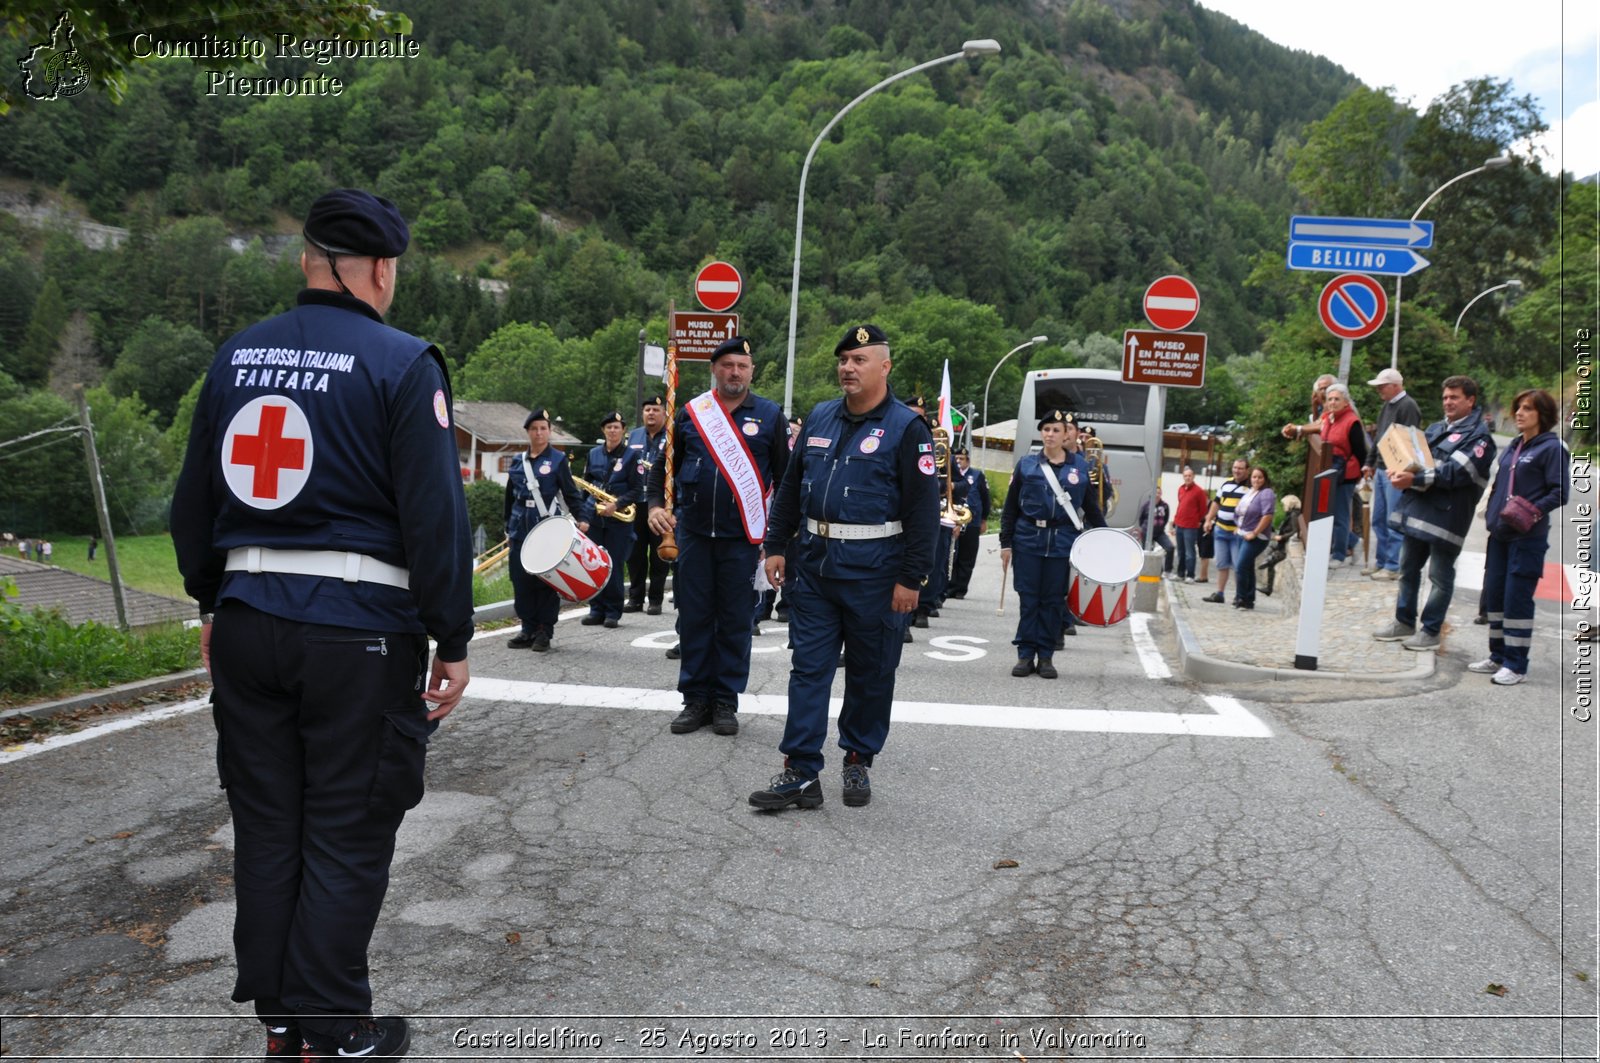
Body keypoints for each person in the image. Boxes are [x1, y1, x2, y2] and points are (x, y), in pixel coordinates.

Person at [170, 188, 473, 1061]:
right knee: (348, 822)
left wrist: (209, 602)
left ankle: (282, 1019)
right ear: (379, 269)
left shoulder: (236, 356)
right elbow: (435, 517)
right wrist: (451, 638)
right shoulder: (402, 361)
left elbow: (194, 502)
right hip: (358, 627)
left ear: (308, 261)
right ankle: (334, 1026)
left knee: (269, 824)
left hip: (248, 617)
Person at [750, 323, 938, 810]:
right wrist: (775, 543)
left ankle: (857, 758)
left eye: (860, 360)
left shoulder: (906, 428)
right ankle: (800, 771)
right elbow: (792, 486)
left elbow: (922, 511)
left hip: (878, 573)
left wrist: (912, 578)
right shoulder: (820, 416)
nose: (848, 368)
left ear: (884, 366)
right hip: (814, 566)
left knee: (871, 673)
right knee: (808, 669)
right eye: (843, 360)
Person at [646, 336, 787, 737]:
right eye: (727, 365)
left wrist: (777, 540)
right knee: (693, 617)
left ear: (752, 370)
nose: (734, 372)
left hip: (742, 538)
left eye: (742, 365)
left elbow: (786, 479)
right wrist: (656, 506)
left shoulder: (770, 415)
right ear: (715, 370)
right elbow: (663, 470)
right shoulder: (692, 413)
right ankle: (695, 699)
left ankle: (725, 700)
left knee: (735, 620)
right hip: (692, 534)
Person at [1373, 375, 1497, 651]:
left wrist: (1412, 479)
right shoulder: (1436, 427)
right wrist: (1399, 468)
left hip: (1447, 519)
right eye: (1445, 397)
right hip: (1419, 511)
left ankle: (1430, 631)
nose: (1448, 402)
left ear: (1470, 400)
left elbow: (1456, 472)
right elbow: (1415, 460)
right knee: (1407, 570)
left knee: (1439, 577)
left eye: (1454, 397)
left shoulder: (1480, 438)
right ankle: (1403, 622)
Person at [1466, 389, 1570, 684]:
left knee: (1517, 600)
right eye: (1518, 407)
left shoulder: (1552, 448)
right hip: (1500, 533)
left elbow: (1560, 492)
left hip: (1527, 537)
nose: (1520, 413)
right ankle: (1497, 655)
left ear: (1543, 415)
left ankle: (1516, 664)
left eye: (1528, 409)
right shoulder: (1513, 445)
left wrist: (1532, 511)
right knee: (1495, 597)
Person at [1000, 409, 1105, 679]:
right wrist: (1005, 542)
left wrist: (1105, 538)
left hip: (1062, 544)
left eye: (1056, 430)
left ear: (1066, 434)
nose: (1050, 434)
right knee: (1029, 599)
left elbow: (1090, 507)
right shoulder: (1026, 465)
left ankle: (1045, 656)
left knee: (1053, 601)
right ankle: (1025, 655)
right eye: (1046, 429)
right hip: (1028, 541)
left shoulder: (1080, 467)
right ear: (1041, 433)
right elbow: (1011, 507)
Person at [504, 408, 585, 651]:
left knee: (546, 582)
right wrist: (507, 527)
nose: (539, 433)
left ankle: (544, 631)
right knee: (520, 579)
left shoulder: (558, 460)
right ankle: (527, 628)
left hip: (547, 527)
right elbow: (510, 497)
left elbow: (571, 493)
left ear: (549, 432)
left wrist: (582, 518)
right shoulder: (518, 462)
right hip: (520, 528)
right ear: (528, 432)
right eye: (534, 429)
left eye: (543, 428)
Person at [1286, 382, 1367, 565]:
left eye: (1337, 399)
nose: (1332, 403)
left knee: (1340, 514)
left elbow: (1360, 451)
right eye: (1330, 399)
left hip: (1345, 473)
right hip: (1329, 470)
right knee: (1326, 512)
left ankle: (1339, 555)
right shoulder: (1327, 418)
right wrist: (1298, 428)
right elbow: (1315, 428)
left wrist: (1360, 476)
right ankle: (1354, 542)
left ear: (1345, 402)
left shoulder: (1351, 421)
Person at [578, 411, 641, 628]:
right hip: (595, 518)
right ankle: (596, 609)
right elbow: (586, 488)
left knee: (613, 564)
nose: (612, 430)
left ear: (623, 430)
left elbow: (637, 489)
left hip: (619, 519)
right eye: (609, 427)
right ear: (603, 430)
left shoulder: (632, 456)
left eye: (616, 427)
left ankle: (613, 611)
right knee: (593, 563)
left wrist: (616, 504)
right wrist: (583, 516)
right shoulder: (593, 454)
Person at [1362, 367, 1422, 580]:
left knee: (1393, 518)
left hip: (1395, 470)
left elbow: (1409, 440)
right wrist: (1369, 462)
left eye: (1382, 386)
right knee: (1378, 519)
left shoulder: (1408, 406)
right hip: (1381, 468)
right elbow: (1379, 437)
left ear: (1395, 385)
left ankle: (1393, 565)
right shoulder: (1387, 405)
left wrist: (1402, 470)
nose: (1379, 390)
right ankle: (1381, 561)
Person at [624, 395, 670, 615]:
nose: (651, 413)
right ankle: (635, 598)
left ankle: (655, 600)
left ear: (665, 413)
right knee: (635, 554)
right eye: (647, 409)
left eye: (655, 409)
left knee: (659, 554)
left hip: (660, 504)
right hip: (636, 503)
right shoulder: (633, 436)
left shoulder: (671, 436)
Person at [1200, 458, 1251, 604]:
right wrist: (1209, 519)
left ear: (1247, 470)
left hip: (1237, 533)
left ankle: (1239, 595)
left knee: (1238, 566)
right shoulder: (1226, 483)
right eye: (1235, 467)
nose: (1237, 471)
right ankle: (1220, 594)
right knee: (1221, 564)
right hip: (1221, 529)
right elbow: (1216, 502)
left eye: (1240, 468)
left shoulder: (1250, 487)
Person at [947, 446, 991, 598]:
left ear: (968, 461)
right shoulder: (950, 475)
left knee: (967, 556)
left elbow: (985, 499)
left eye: (962, 459)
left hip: (971, 522)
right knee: (952, 554)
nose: (959, 461)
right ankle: (949, 586)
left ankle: (961, 588)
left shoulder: (977, 475)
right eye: (956, 458)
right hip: (953, 521)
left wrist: (984, 519)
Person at [1229, 467, 1276, 609]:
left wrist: (1254, 533)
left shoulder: (1266, 493)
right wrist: (1238, 526)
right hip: (1242, 534)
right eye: (1254, 477)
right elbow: (1239, 512)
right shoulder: (1249, 492)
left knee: (1241, 566)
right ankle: (1248, 599)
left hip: (1257, 537)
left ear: (1265, 479)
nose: (1256, 480)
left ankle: (1241, 598)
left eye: (1260, 477)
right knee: (1247, 567)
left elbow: (1267, 516)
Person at [1173, 465, 1206, 582]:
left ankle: (1190, 575)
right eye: (1185, 476)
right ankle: (1180, 574)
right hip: (1179, 524)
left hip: (1191, 526)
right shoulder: (1181, 489)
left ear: (1194, 476)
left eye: (1189, 476)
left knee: (1190, 552)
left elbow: (1203, 509)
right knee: (1180, 551)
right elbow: (1180, 505)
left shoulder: (1199, 491)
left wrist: (1197, 520)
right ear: (1183, 477)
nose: (1187, 478)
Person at [1137, 485, 1174, 575]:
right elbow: (1141, 519)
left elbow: (1166, 518)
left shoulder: (1165, 506)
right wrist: (1144, 528)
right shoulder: (1146, 505)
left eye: (1159, 492)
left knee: (1170, 548)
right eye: (1155, 492)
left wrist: (1160, 526)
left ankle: (1168, 571)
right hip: (1147, 532)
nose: (1157, 494)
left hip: (1159, 532)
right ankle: (1157, 571)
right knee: (1148, 551)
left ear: (1161, 494)